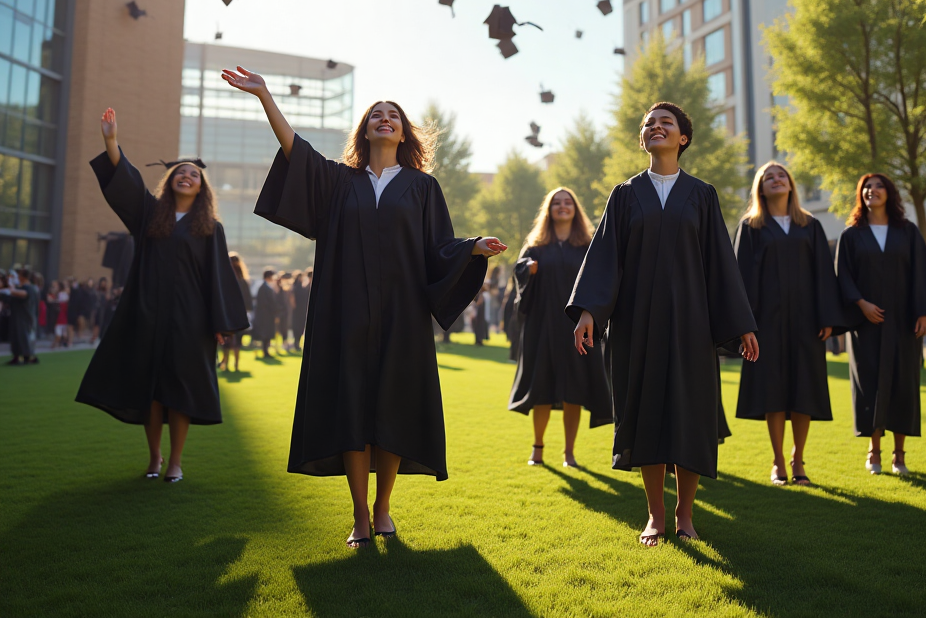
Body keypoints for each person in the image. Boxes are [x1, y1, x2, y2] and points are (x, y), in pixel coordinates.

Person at [222, 66, 506, 548]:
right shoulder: (338, 181)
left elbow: (437, 247)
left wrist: (472, 248)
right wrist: (266, 96)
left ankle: (383, 508)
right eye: (376, 113)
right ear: (365, 129)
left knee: (390, 408)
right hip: (344, 312)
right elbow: (297, 152)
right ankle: (358, 514)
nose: (384, 117)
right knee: (353, 408)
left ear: (404, 131)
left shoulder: (422, 187)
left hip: (402, 315)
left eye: (393, 114)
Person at [567, 102, 758, 545]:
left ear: (682, 138)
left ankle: (685, 514)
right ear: (642, 139)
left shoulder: (702, 195)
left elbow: (720, 265)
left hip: (692, 326)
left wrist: (741, 323)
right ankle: (655, 515)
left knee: (690, 416)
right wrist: (589, 312)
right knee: (646, 414)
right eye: (649, 124)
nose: (656, 127)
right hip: (637, 326)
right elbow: (605, 260)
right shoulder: (625, 195)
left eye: (665, 123)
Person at [74, 108, 248, 483]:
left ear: (202, 188)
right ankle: (154, 458)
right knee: (151, 389)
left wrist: (220, 324)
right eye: (181, 173)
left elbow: (218, 277)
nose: (187, 177)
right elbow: (128, 184)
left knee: (180, 390)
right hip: (148, 312)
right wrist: (110, 141)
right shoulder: (150, 215)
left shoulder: (209, 228)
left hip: (191, 320)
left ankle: (176, 461)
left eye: (194, 175)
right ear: (170, 181)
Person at [733, 161, 847, 487]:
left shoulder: (809, 224)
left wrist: (826, 317)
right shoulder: (751, 227)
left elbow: (824, 273)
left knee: (803, 390)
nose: (776, 179)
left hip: (805, 322)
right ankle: (778, 460)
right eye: (768, 177)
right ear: (761, 188)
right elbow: (740, 278)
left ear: (791, 184)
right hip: (765, 323)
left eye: (781, 175)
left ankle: (799, 459)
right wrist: (745, 325)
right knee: (773, 391)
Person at [835, 174, 926, 477]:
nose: (872, 191)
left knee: (902, 386)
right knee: (869, 385)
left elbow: (923, 272)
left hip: (903, 323)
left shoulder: (907, 231)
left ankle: (899, 454)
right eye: (867, 187)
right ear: (861, 196)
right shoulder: (852, 234)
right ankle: (874, 451)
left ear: (890, 193)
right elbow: (842, 275)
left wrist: (925, 313)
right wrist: (860, 303)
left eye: (879, 186)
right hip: (867, 324)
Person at [510, 188, 612, 468]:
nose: (563, 207)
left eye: (568, 202)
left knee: (574, 390)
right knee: (541, 387)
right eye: (557, 203)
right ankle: (538, 448)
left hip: (576, 327)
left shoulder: (588, 245)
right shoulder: (536, 245)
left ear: (575, 209)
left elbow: (600, 281)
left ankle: (569, 453)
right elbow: (518, 276)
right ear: (549, 210)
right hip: (541, 326)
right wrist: (526, 270)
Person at [220, 252, 253, 372]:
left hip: (227, 315)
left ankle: (226, 364)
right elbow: (248, 301)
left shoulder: (225, 279)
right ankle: (236, 365)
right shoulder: (243, 281)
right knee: (237, 343)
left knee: (227, 342)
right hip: (239, 315)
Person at [3, 269, 40, 364]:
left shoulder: (29, 288)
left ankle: (27, 357)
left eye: (19, 276)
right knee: (15, 337)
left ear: (23, 277)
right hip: (16, 317)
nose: (18, 278)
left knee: (23, 337)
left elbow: (23, 294)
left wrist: (11, 289)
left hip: (24, 317)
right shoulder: (22, 288)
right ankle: (17, 356)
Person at [252, 270, 278, 358]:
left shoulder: (266, 287)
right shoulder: (264, 288)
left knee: (267, 334)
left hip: (267, 315)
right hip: (265, 315)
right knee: (266, 334)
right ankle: (265, 351)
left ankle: (266, 350)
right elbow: (266, 303)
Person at [293, 268, 311, 352]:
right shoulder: (298, 287)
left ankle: (297, 343)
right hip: (299, 310)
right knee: (298, 327)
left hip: (301, 310)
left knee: (300, 327)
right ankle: (296, 343)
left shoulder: (303, 287)